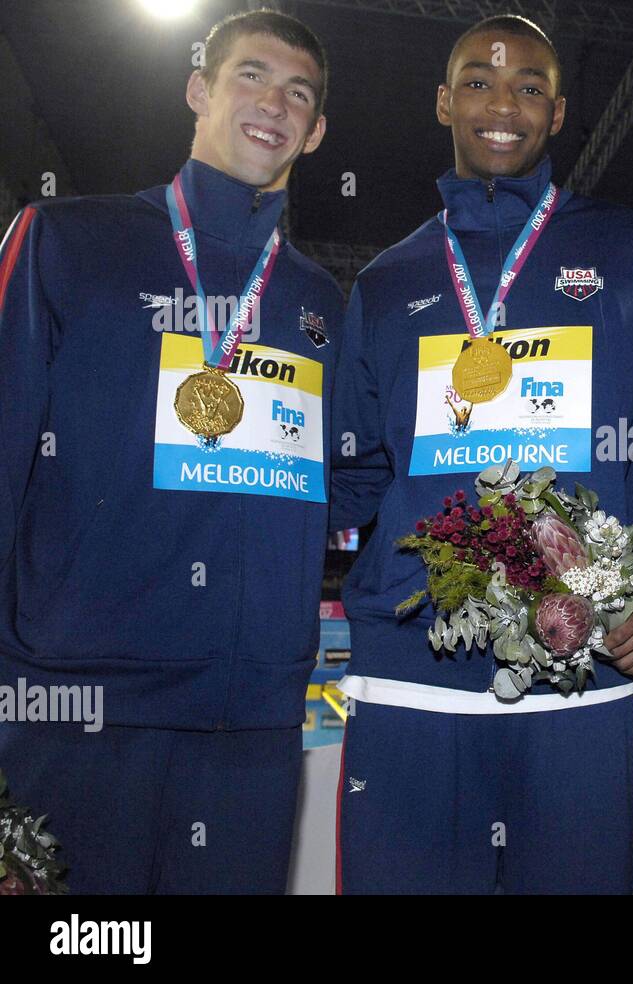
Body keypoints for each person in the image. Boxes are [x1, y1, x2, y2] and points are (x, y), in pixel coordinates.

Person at [329, 15, 633, 894]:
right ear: (442, 102)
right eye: (477, 81)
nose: (501, 104)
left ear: (556, 114)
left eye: (529, 87)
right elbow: (351, 470)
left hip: (576, 680)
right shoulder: (390, 281)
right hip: (410, 678)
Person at [0, 10, 340, 893]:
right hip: (72, 702)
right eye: (251, 77)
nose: (274, 103)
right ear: (199, 90)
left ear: (316, 131)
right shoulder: (66, 240)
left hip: (251, 717)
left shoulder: (319, 301)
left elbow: (349, 474)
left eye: (299, 93)